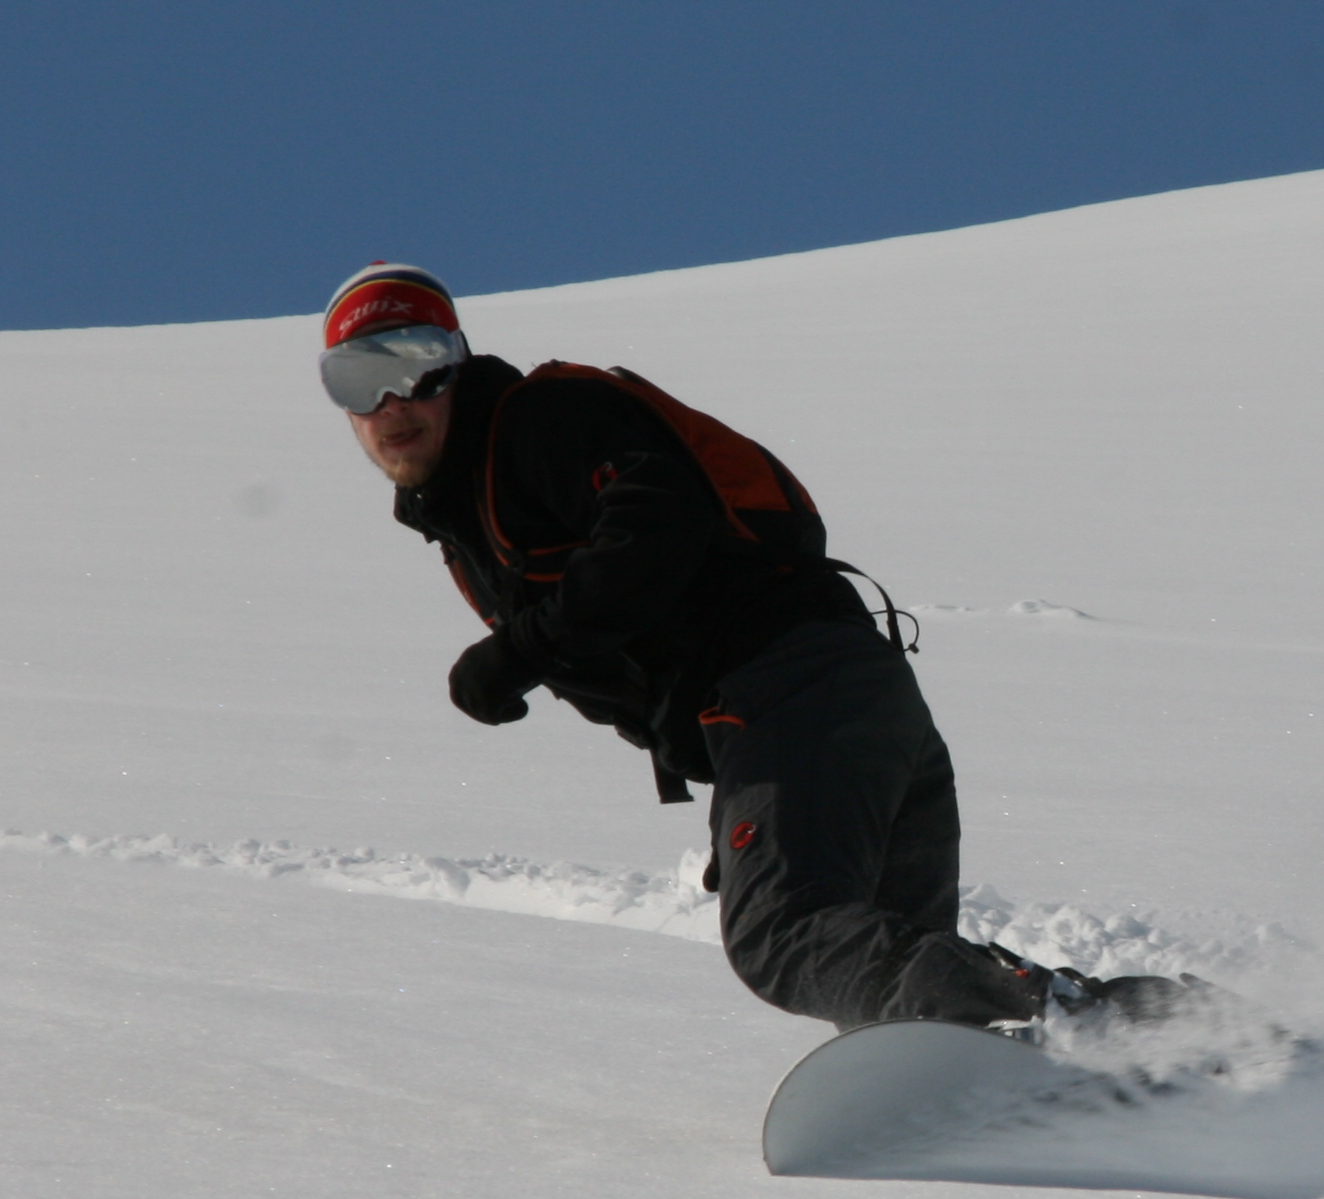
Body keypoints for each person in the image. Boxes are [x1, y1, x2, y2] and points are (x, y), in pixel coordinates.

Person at [322, 262, 1175, 1034]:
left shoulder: (540, 421)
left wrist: (521, 651)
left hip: (790, 690)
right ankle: (1153, 1031)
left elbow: (661, 521)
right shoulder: (468, 512)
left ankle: (1051, 1015)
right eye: (359, 379)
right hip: (840, 699)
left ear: (459, 361)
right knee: (907, 1015)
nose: (393, 400)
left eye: (416, 360)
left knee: (783, 933)